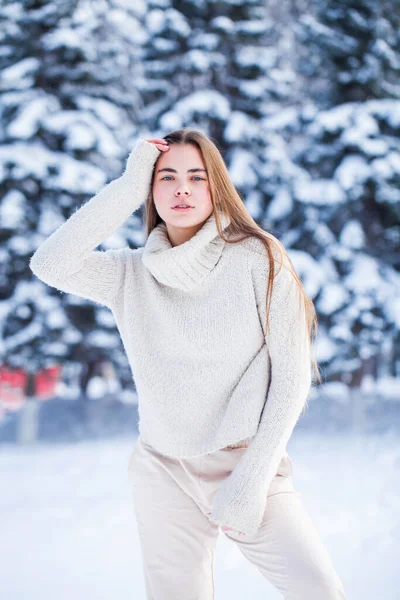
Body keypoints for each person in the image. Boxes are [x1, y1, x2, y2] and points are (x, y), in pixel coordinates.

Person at [30, 129, 348, 599]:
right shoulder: (129, 273)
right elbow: (50, 263)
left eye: (198, 178)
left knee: (319, 589)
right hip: (162, 467)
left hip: (246, 459)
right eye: (167, 177)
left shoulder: (259, 257)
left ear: (216, 187)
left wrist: (252, 478)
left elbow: (292, 377)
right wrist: (126, 184)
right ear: (149, 190)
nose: (182, 189)